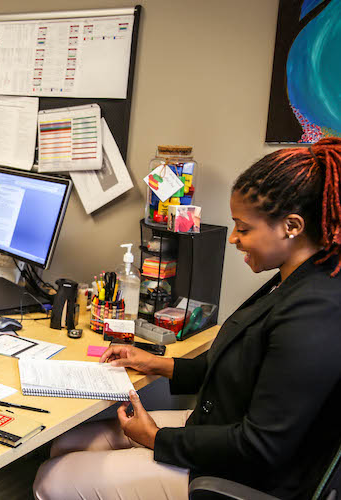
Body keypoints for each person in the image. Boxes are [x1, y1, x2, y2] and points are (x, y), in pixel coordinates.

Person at [34, 138, 341, 500]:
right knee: (66, 444)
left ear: (291, 225)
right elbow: (232, 367)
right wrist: (156, 363)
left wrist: (155, 439)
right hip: (215, 429)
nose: (235, 239)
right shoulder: (289, 279)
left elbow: (262, 446)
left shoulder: (317, 313)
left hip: (240, 474)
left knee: (50, 480)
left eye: (243, 229)